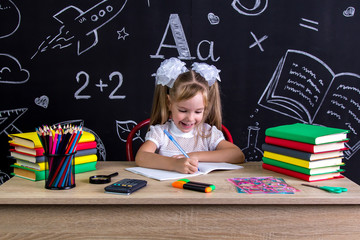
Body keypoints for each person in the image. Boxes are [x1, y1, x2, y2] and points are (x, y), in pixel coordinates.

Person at [135, 58, 245, 174]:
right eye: (183, 110)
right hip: (167, 190)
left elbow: (237, 155)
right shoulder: (161, 133)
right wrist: (174, 164)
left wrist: (194, 156)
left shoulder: (208, 133)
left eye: (198, 112)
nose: (190, 118)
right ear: (169, 103)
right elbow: (141, 157)